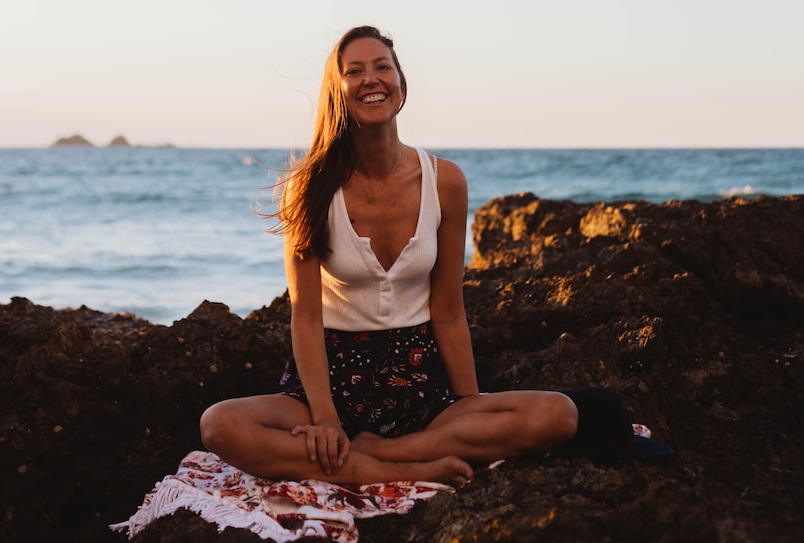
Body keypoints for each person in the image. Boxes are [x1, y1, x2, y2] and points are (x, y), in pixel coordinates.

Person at [200, 25, 578, 486]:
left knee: (558, 415)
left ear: (401, 84)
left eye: (383, 67)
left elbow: (449, 312)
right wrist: (325, 420)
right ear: (337, 91)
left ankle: (387, 453)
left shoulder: (446, 182)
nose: (371, 79)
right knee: (220, 425)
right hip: (330, 381)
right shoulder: (309, 188)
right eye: (354, 71)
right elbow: (306, 317)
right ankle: (373, 468)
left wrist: (468, 411)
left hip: (421, 383)